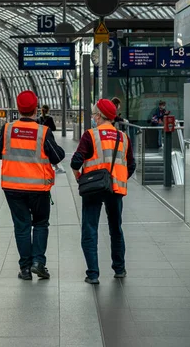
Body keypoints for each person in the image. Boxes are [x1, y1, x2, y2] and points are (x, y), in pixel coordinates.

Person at [0, 90, 65, 281]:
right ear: (35, 109)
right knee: (40, 224)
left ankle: (25, 268)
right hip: (38, 188)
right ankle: (38, 263)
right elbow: (57, 156)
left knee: (22, 226)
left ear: (18, 109)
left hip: (12, 187)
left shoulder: (8, 129)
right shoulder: (43, 132)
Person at [71, 99, 136, 285]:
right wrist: (118, 178)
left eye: (93, 115)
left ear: (99, 116)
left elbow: (75, 162)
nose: (93, 118)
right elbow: (131, 165)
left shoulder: (90, 135)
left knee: (90, 229)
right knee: (116, 228)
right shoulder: (123, 137)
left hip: (92, 188)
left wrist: (80, 178)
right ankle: (120, 269)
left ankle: (93, 274)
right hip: (115, 189)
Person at [38, 105, 65, 174]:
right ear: (48, 110)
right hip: (48, 137)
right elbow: (54, 128)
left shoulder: (39, 119)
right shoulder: (50, 118)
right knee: (52, 151)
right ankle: (56, 167)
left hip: (40, 137)